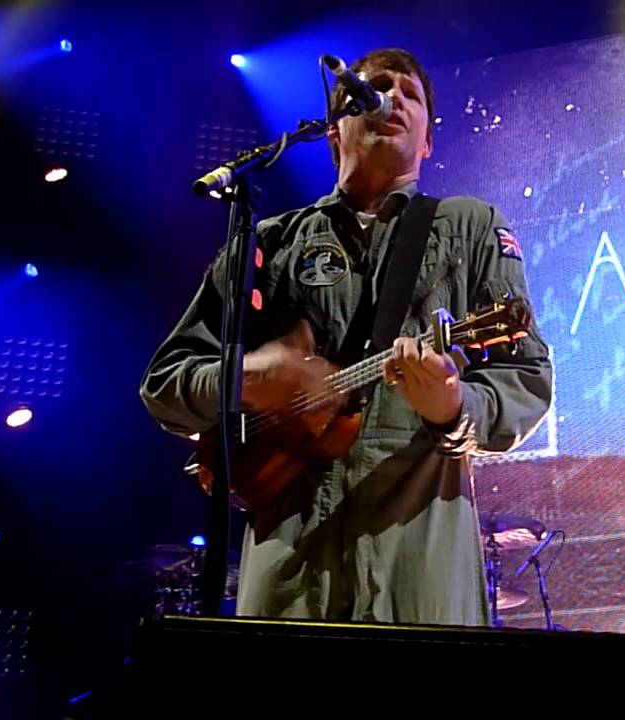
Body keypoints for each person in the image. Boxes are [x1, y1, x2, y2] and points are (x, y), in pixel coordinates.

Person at [139, 48, 553, 626]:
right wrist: (250, 379)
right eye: (377, 88)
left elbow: (526, 376)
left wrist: (456, 408)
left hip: (420, 566)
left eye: (411, 95)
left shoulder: (471, 226)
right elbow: (165, 381)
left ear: (428, 141)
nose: (393, 99)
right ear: (336, 131)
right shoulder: (271, 241)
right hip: (290, 570)